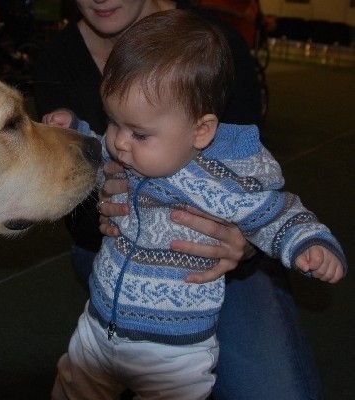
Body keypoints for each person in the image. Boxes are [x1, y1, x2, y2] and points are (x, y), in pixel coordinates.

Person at [44, 10, 347, 399]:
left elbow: (277, 212)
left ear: (200, 131)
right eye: (114, 122)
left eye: (139, 132)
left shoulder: (221, 181)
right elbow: (94, 150)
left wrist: (310, 243)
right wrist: (72, 129)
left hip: (172, 352)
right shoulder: (126, 150)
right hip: (98, 328)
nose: (119, 141)